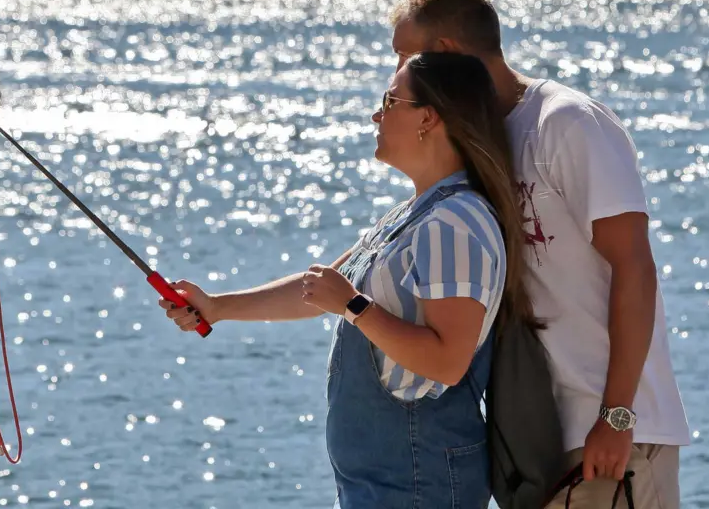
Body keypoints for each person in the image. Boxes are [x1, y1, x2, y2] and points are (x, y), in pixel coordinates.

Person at [160, 52, 536, 509]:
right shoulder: (415, 215)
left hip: (417, 484)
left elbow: (447, 360)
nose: (377, 114)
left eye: (390, 100)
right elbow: (320, 290)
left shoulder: (453, 224)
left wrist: (355, 308)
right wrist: (217, 306)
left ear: (428, 118)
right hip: (381, 485)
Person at [388, 0, 690, 509]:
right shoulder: (477, 141)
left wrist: (616, 416)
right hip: (534, 440)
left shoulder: (568, 123)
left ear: (445, 52)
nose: (395, 75)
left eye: (404, 57)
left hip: (613, 436)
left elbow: (635, 268)